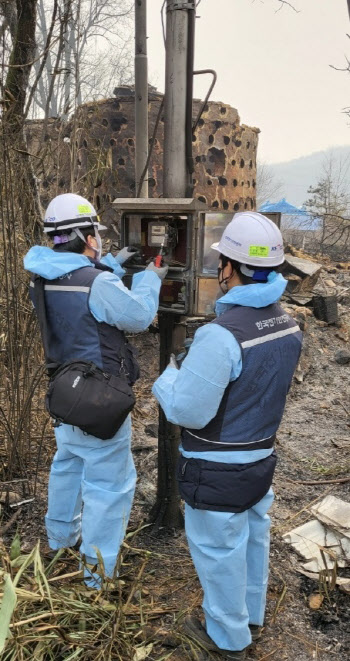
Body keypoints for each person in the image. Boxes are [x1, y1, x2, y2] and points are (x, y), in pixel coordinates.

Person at [152, 212, 302, 660]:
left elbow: (186, 409)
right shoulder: (288, 324)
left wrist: (169, 376)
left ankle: (226, 639)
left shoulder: (221, 336)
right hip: (260, 461)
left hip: (216, 469)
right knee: (253, 537)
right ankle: (250, 613)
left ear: (230, 269)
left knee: (219, 554)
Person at [24, 193, 167, 587]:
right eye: (95, 235)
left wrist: (110, 265)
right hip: (99, 397)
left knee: (68, 463)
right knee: (110, 484)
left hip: (65, 391)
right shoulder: (97, 282)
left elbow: (78, 292)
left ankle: (60, 539)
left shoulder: (44, 274)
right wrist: (149, 280)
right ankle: (97, 573)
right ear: (86, 236)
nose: (99, 241)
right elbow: (137, 316)